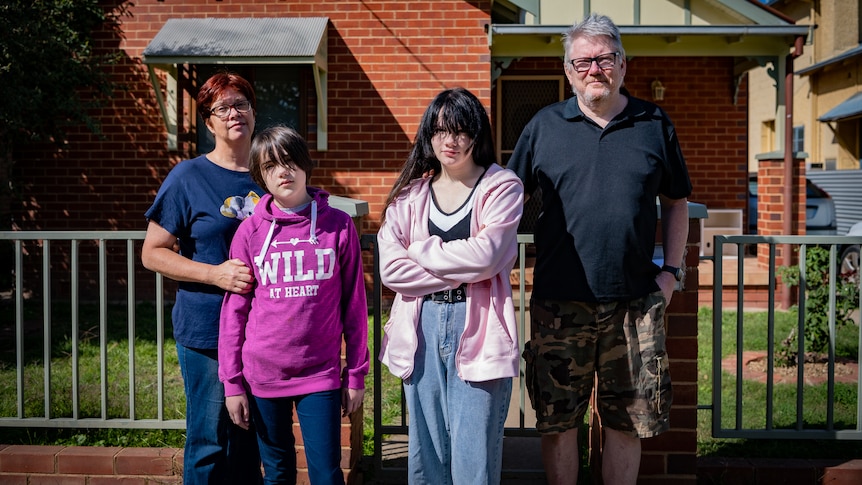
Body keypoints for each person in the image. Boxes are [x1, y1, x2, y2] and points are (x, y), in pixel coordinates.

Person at [507, 13, 692, 485]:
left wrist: (670, 271)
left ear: (623, 65)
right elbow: (506, 200)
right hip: (558, 303)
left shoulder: (653, 123)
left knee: (628, 423)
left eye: (604, 59)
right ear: (568, 71)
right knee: (558, 422)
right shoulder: (544, 126)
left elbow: (676, 202)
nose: (594, 70)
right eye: (583, 61)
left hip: (634, 303)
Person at [377, 87, 524, 484]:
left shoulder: (502, 186)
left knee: (474, 456)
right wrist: (466, 265)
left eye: (460, 131)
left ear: (476, 135)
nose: (450, 141)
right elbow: (391, 270)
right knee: (426, 454)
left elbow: (487, 256)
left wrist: (421, 250)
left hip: (477, 327)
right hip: (420, 326)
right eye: (440, 131)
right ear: (428, 135)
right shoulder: (410, 196)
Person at [219, 125, 370, 485]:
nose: (283, 171)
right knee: (278, 473)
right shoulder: (250, 232)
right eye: (271, 166)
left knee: (326, 474)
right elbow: (234, 312)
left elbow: (354, 305)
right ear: (260, 176)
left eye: (289, 161)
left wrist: (356, 373)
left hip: (320, 373)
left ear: (305, 165)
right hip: (263, 373)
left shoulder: (339, 226)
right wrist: (232, 384)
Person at [141, 71, 263, 484]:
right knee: (209, 441)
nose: (234, 113)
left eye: (241, 104)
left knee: (251, 442)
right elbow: (152, 253)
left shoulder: (272, 173)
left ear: (253, 111)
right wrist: (214, 274)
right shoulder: (187, 177)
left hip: (263, 332)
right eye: (222, 108)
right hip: (207, 329)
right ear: (208, 122)